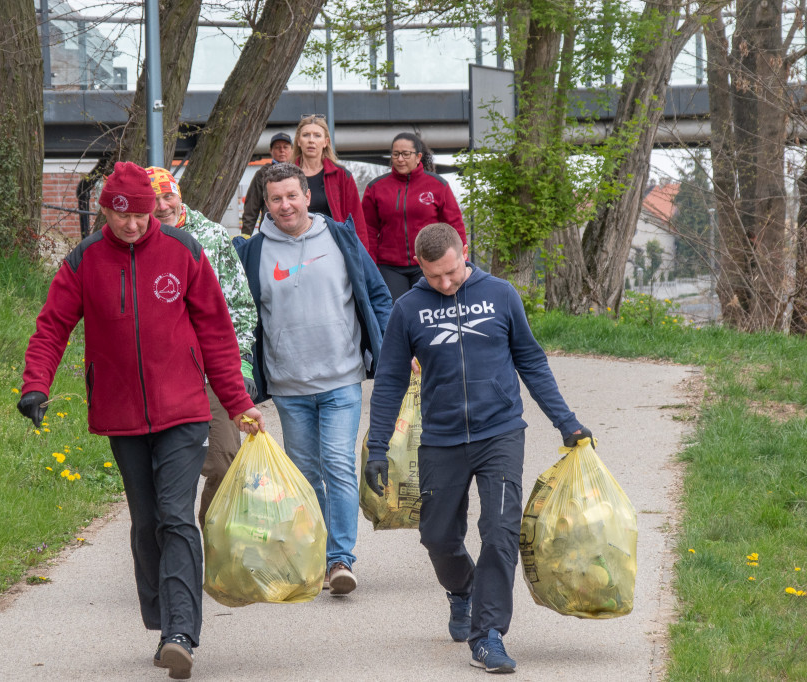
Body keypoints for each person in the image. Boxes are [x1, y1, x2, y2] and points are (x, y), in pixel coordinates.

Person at [17, 160, 265, 681]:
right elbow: (52, 326)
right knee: (146, 521)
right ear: (104, 210)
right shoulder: (84, 260)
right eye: (121, 215)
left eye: (141, 214)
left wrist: (237, 401)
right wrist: (36, 384)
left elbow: (217, 332)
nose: (132, 225)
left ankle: (181, 633)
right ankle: (162, 621)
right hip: (121, 412)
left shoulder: (184, 251)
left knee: (176, 516)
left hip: (184, 410)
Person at [363, 222, 591, 674]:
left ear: (464, 251)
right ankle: (462, 590)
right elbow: (389, 380)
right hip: (441, 438)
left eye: (451, 272)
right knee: (438, 537)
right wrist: (376, 447)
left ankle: (488, 635)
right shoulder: (408, 309)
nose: (445, 283)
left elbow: (531, 361)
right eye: (434, 276)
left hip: (500, 432)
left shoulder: (501, 294)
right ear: (419, 266)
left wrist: (566, 422)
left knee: (500, 530)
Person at [232, 162, 391, 596]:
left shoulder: (340, 237)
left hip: (341, 377)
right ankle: (318, 556)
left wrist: (396, 349)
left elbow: (378, 295)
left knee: (338, 464)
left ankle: (340, 559)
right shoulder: (254, 252)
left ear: (307, 196)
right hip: (289, 384)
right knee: (306, 474)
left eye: (292, 196)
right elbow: (242, 317)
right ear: (266, 204)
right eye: (275, 199)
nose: (285, 205)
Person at [145, 165, 258, 526]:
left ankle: (211, 539)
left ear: (179, 195)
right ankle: (177, 543)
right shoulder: (135, 241)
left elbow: (240, 305)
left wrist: (241, 363)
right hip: (159, 375)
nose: (162, 206)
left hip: (212, 371)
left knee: (224, 461)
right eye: (153, 199)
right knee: (165, 472)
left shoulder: (212, 237)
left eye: (168, 196)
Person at [362, 132, 467, 301]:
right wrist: (370, 265)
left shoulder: (438, 185)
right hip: (390, 267)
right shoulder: (376, 188)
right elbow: (368, 230)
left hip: (430, 263)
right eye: (395, 154)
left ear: (418, 157)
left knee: (429, 310)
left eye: (405, 154)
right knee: (395, 311)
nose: (400, 159)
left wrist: (460, 259)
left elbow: (454, 225)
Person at [292, 114, 369, 248]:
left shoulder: (341, 175)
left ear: (325, 142)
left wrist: (360, 255)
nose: (311, 140)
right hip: (295, 245)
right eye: (306, 135)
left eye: (317, 135)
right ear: (298, 141)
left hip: (333, 246)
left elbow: (357, 221)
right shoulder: (287, 176)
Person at [240, 131, 293, 235]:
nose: (282, 150)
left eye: (285, 147)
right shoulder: (262, 174)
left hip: (296, 232)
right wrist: (245, 237)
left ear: (292, 150)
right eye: (277, 147)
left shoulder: (299, 173)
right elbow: (251, 209)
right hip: (269, 232)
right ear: (271, 151)